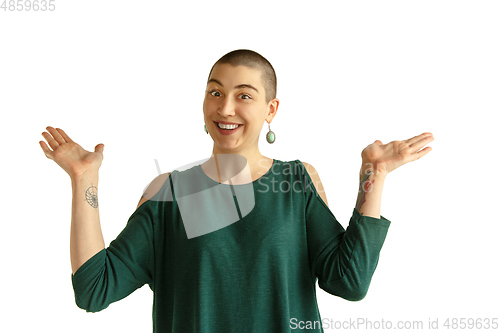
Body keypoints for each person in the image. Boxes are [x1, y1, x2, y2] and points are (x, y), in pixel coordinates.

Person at [39, 49, 434, 332]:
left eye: (244, 95)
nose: (225, 108)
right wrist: (83, 180)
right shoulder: (169, 194)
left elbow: (350, 281)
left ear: (271, 110)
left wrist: (374, 173)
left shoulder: (297, 183)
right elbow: (93, 289)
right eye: (215, 92)